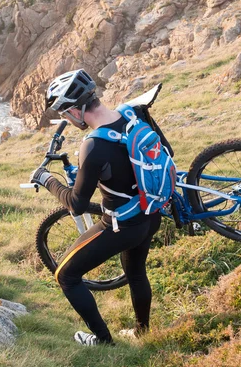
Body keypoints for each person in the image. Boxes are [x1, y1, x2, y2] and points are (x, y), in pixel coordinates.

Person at [30, 69, 173, 346]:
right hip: (151, 214)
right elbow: (167, 153)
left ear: (74, 110)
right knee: (135, 272)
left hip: (121, 226)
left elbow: (76, 203)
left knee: (66, 275)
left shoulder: (94, 145)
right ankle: (142, 331)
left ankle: (102, 340)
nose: (66, 120)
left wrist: (47, 180)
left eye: (63, 114)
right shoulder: (134, 114)